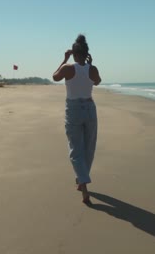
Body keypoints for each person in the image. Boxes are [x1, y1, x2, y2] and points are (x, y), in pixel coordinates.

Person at [53, 34, 102, 204]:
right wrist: (88, 65)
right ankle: (82, 181)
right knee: (89, 147)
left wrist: (64, 59)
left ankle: (83, 184)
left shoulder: (67, 67)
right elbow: (97, 82)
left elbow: (55, 76)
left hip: (73, 109)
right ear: (86, 53)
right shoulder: (92, 69)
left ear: (74, 53)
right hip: (89, 108)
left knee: (76, 148)